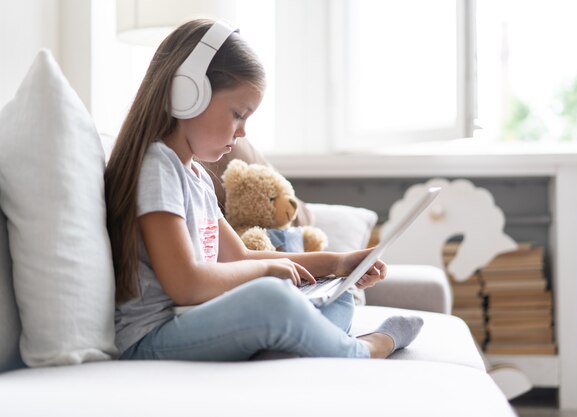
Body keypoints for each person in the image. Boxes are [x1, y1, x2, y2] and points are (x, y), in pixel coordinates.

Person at [104, 18, 422, 361]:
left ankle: (304, 342)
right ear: (187, 93)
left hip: (193, 322)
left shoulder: (195, 175)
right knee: (272, 298)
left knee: (336, 293)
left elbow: (239, 258)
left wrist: (338, 263)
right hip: (153, 337)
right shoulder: (157, 167)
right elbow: (187, 284)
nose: (242, 132)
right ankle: (362, 350)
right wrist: (268, 272)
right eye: (238, 114)